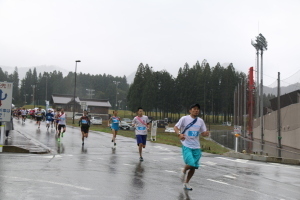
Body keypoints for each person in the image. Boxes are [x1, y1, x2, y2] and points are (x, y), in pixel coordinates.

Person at [174, 103, 209, 191]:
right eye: (194, 109)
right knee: (191, 163)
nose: (196, 110)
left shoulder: (200, 121)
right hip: (186, 145)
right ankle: (183, 170)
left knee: (194, 167)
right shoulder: (184, 119)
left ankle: (186, 183)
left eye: (197, 109)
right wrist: (179, 134)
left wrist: (206, 134)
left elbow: (203, 133)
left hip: (196, 146)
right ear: (190, 110)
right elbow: (176, 127)